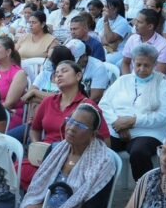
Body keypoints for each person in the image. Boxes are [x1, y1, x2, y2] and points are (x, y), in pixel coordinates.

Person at [19, 60, 110, 188]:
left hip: (71, 158)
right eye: (56, 73)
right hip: (45, 154)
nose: (59, 75)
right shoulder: (48, 101)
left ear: (78, 76)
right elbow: (35, 129)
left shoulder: (87, 106)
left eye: (64, 71)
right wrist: (36, 144)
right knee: (18, 169)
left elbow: (105, 140)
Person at [100, 43, 166, 181]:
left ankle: (144, 190)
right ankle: (99, 186)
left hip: (147, 132)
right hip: (116, 128)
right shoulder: (123, 80)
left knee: (139, 152)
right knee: (97, 145)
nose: (141, 69)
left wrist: (133, 121)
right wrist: (117, 123)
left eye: (146, 65)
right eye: (138, 64)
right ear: (132, 62)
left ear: (154, 64)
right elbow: (104, 105)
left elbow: (163, 116)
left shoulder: (162, 85)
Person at [121, 9, 166, 76]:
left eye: (139, 22)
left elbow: (159, 75)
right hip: (132, 81)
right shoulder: (132, 39)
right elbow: (125, 63)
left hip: (153, 84)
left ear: (150, 26)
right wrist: (128, 80)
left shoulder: (164, 46)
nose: (135, 24)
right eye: (136, 21)